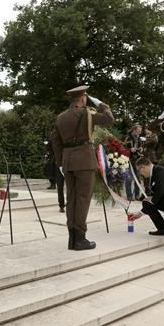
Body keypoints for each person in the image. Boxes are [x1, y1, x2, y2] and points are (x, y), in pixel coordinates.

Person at [52, 85, 114, 250]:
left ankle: (72, 239)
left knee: (71, 199)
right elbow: (109, 119)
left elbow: (56, 142)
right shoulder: (88, 114)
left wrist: (60, 162)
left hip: (67, 161)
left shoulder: (60, 117)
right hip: (84, 160)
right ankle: (80, 239)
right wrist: (103, 105)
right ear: (82, 99)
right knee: (82, 200)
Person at [45, 134, 65, 212]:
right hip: (60, 163)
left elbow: (48, 147)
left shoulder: (53, 137)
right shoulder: (54, 137)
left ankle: (62, 205)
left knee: (61, 186)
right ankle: (62, 205)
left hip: (61, 162)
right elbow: (48, 147)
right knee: (60, 185)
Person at [123, 124, 143, 201]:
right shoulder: (128, 137)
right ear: (134, 130)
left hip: (137, 160)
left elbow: (141, 147)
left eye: (140, 131)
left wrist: (141, 149)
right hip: (129, 160)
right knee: (129, 178)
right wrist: (130, 150)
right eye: (138, 131)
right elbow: (123, 149)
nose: (139, 133)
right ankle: (129, 195)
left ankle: (137, 195)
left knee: (138, 178)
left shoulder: (139, 138)